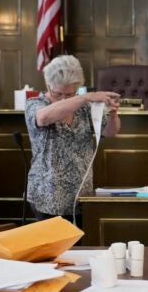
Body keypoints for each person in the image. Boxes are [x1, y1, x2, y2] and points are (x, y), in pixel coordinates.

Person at [25, 55, 121, 226]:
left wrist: (113, 113)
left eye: (70, 94)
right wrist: (84, 97)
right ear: (48, 85)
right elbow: (44, 117)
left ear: (77, 88)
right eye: (58, 93)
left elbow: (110, 132)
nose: (64, 99)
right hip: (49, 196)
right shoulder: (36, 103)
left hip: (81, 194)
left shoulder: (84, 108)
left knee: (82, 249)